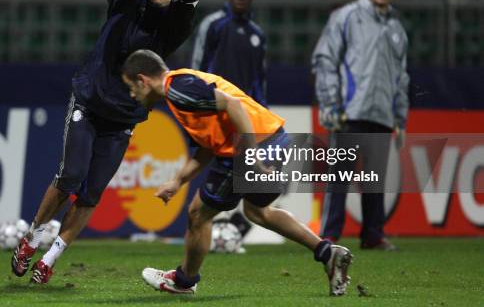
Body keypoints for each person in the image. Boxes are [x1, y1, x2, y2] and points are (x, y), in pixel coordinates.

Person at [12, 0, 210, 284]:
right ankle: (31, 237)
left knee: (91, 193)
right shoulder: (125, 2)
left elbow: (185, 12)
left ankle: (50, 259)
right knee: (70, 175)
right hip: (89, 101)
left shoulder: (171, 28)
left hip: (123, 117)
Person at [121, 49, 353, 297]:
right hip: (273, 138)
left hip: (250, 147)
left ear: (143, 80)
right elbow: (209, 147)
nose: (132, 94)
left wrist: (251, 155)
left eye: (130, 87)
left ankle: (183, 281)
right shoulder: (181, 85)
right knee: (258, 212)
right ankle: (328, 253)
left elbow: (233, 105)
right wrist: (178, 181)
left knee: (199, 214)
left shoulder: (178, 90)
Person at [311, 0, 409, 251]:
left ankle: (373, 235)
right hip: (349, 112)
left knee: (375, 180)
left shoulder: (396, 29)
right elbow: (325, 60)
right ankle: (329, 235)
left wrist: (400, 117)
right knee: (339, 177)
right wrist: (330, 103)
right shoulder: (346, 17)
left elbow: (402, 77)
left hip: (381, 115)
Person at [191, 0, 265, 241]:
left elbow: (259, 79)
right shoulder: (214, 25)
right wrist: (197, 106)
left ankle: (226, 230)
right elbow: (197, 66)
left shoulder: (258, 34)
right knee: (206, 163)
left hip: (244, 115)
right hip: (214, 111)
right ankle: (206, 227)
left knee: (239, 169)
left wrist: (260, 111)